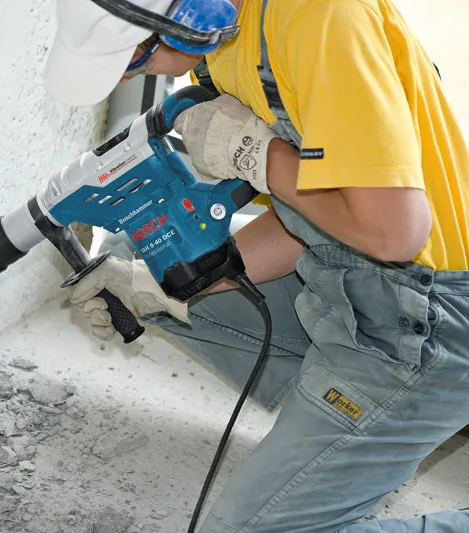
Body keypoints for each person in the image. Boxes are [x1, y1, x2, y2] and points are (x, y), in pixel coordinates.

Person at [41, 0, 469, 532]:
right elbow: (312, 218)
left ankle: (369, 418)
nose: (135, 72)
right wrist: (157, 285)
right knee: (157, 255)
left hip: (429, 324)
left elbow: (394, 232)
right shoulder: (223, 39)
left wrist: (256, 156)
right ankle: (343, 428)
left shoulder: (319, 21)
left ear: (191, 14)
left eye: (136, 60)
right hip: (344, 283)